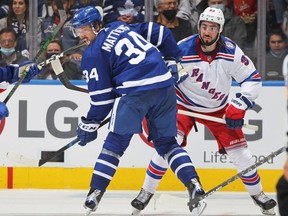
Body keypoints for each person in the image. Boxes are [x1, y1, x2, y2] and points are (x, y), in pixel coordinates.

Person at [131, 7, 277, 216]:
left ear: (220, 30)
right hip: (182, 105)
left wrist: (240, 103)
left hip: (217, 109)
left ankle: (258, 195)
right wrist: (169, 74)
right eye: (204, 26)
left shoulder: (231, 52)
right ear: (199, 27)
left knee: (242, 155)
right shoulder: (182, 49)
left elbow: (252, 80)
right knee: (166, 149)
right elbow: (158, 72)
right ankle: (146, 192)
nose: (207, 32)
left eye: (212, 28)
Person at [71, 5, 207, 216]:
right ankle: (194, 184)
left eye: (84, 29)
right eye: (77, 31)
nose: (80, 35)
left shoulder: (92, 54)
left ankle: (94, 193)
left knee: (115, 144)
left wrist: (88, 123)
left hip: (135, 93)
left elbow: (102, 101)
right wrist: (172, 59)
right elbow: (161, 32)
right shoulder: (119, 26)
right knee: (167, 143)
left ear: (97, 26)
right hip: (164, 87)